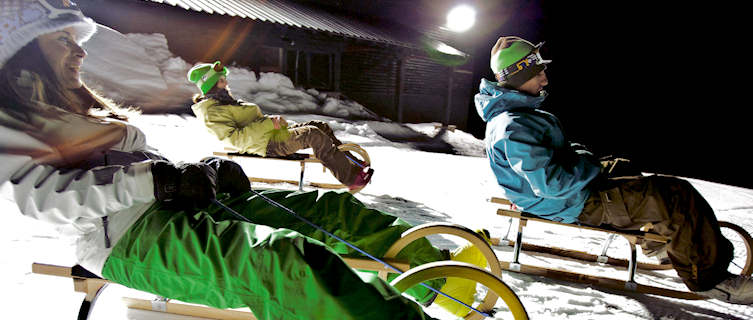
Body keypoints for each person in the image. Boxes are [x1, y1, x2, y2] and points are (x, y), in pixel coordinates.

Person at [0, 1, 477, 319]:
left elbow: (130, 160)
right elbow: (42, 199)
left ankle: (443, 284)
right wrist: (156, 181)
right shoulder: (10, 121)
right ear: (22, 51)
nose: (80, 51)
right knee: (287, 261)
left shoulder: (69, 104)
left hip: (175, 210)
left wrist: (197, 174)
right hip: (131, 241)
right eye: (63, 40)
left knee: (328, 211)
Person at [475, 35, 753, 304]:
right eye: (538, 73)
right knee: (676, 194)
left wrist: (583, 157)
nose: (545, 79)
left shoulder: (518, 115)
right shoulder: (513, 126)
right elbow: (551, 183)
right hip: (572, 203)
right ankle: (711, 281)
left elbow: (553, 156)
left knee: (625, 166)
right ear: (518, 77)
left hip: (568, 193)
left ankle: (658, 244)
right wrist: (587, 163)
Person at [187, 61, 374, 191]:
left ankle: (352, 165)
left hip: (269, 136)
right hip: (265, 145)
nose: (226, 82)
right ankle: (351, 179)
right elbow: (235, 138)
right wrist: (269, 124)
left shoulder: (224, 100)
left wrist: (273, 122)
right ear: (211, 85)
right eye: (221, 80)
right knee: (313, 133)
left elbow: (251, 122)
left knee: (319, 125)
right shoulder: (212, 111)